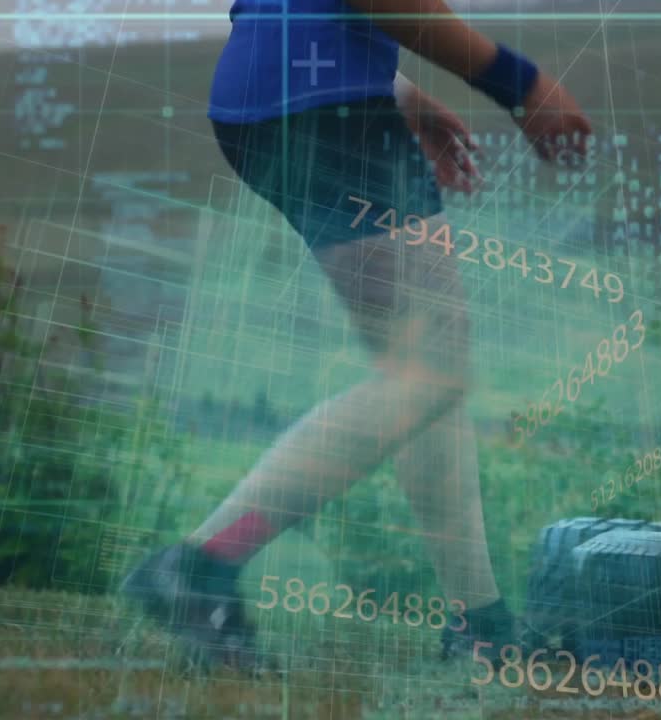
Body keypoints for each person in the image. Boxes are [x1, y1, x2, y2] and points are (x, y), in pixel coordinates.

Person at [121, 0, 593, 667]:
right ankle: (201, 565)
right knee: (429, 373)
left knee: (428, 374)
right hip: (325, 99)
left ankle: (481, 625)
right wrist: (519, 84)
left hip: (293, 91)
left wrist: (401, 94)